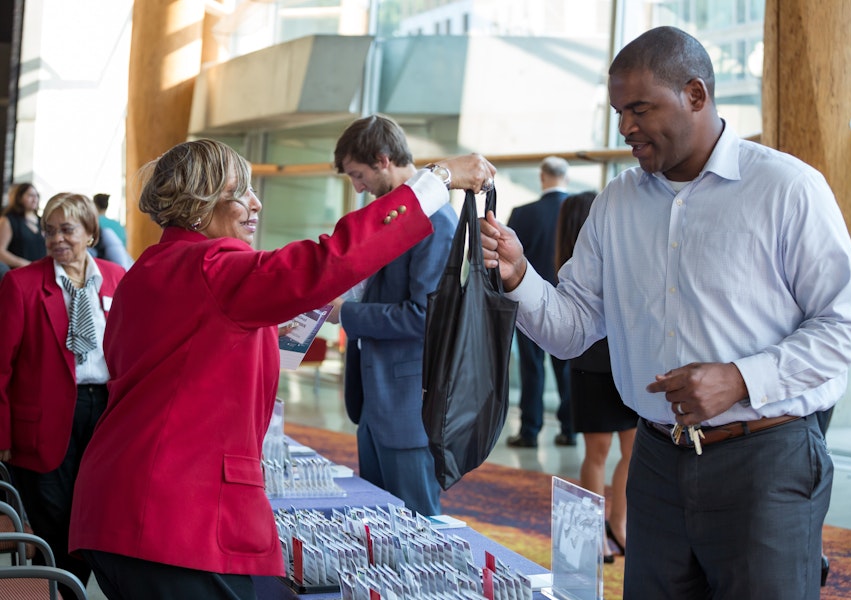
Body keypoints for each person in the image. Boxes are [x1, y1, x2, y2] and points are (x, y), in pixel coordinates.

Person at [480, 26, 851, 599]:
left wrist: (739, 379)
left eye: (639, 108)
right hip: (658, 461)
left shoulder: (787, 189)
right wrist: (518, 276)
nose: (626, 127)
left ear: (695, 94)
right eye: (618, 111)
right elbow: (572, 328)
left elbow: (844, 328)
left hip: (766, 459)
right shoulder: (617, 203)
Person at [68, 138, 494, 599]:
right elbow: (330, 260)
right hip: (174, 514)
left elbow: (179, 361)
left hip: (117, 502)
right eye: (240, 193)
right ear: (198, 206)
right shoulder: (215, 266)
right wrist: (437, 180)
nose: (256, 203)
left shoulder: (149, 270)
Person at [327, 114, 457, 516]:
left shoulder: (435, 221)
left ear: (384, 160)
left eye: (359, 174)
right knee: (378, 529)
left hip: (406, 406)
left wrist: (346, 313)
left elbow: (423, 316)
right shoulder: (391, 216)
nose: (358, 187)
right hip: (373, 400)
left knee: (418, 530)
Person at [0, 192, 127, 599]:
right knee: (54, 520)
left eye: (67, 230)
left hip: (105, 413)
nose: (56, 239)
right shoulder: (21, 284)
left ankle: (61, 589)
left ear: (90, 233)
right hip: (43, 421)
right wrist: (1, 436)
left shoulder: (116, 278)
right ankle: (60, 590)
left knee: (94, 515)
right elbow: (1, 366)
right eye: (49, 230)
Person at [555, 190, 637, 563]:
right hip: (590, 363)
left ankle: (617, 523)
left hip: (626, 362)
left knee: (633, 450)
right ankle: (593, 534)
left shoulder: (621, 251)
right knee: (597, 453)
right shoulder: (573, 264)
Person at [506, 156, 574, 448]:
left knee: (532, 369)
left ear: (542, 177)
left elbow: (505, 262)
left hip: (529, 304)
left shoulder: (523, 214)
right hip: (570, 305)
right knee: (566, 369)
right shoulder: (580, 211)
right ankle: (569, 429)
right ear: (566, 179)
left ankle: (530, 432)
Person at [0, 182, 47, 270]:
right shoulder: (8, 220)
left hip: (41, 273)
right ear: (19, 197)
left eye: (36, 195)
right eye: (30, 195)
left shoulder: (42, 221)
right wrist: (26, 264)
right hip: (18, 272)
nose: (35, 199)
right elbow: (0, 252)